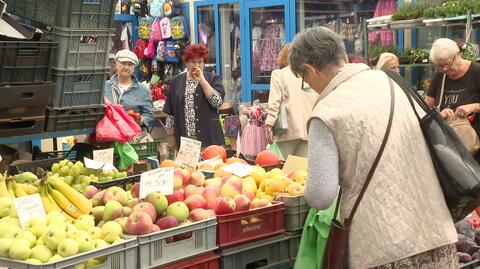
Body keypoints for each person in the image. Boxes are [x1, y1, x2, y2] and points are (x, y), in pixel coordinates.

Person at [289, 27, 457, 268]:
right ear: (343, 56)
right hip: (437, 234)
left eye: (305, 81)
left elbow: (320, 196)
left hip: (381, 249)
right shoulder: (393, 82)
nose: (309, 87)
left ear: (309, 70)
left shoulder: (326, 113)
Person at [164, 44, 225, 149]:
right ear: (186, 62)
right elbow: (171, 114)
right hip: (185, 141)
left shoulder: (213, 79)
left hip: (209, 138)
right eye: (193, 62)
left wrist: (202, 80)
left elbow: (217, 102)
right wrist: (170, 137)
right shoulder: (175, 82)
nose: (197, 65)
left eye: (200, 62)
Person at [265, 44, 318, 157]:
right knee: (301, 170)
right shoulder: (311, 74)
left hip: (287, 130)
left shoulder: (279, 74)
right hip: (309, 130)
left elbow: (274, 103)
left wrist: (269, 125)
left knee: (280, 168)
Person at [425, 38, 480, 120]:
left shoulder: (476, 71)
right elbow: (427, 105)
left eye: (446, 64)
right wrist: (439, 114)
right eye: (439, 66)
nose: (444, 69)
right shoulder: (439, 74)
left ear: (457, 55)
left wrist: (473, 107)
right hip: (447, 131)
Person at [104, 49, 155, 127]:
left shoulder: (143, 90)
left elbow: (149, 114)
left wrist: (140, 120)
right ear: (116, 64)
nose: (126, 67)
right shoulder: (104, 87)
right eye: (123, 63)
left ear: (134, 67)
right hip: (109, 134)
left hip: (134, 136)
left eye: (130, 64)